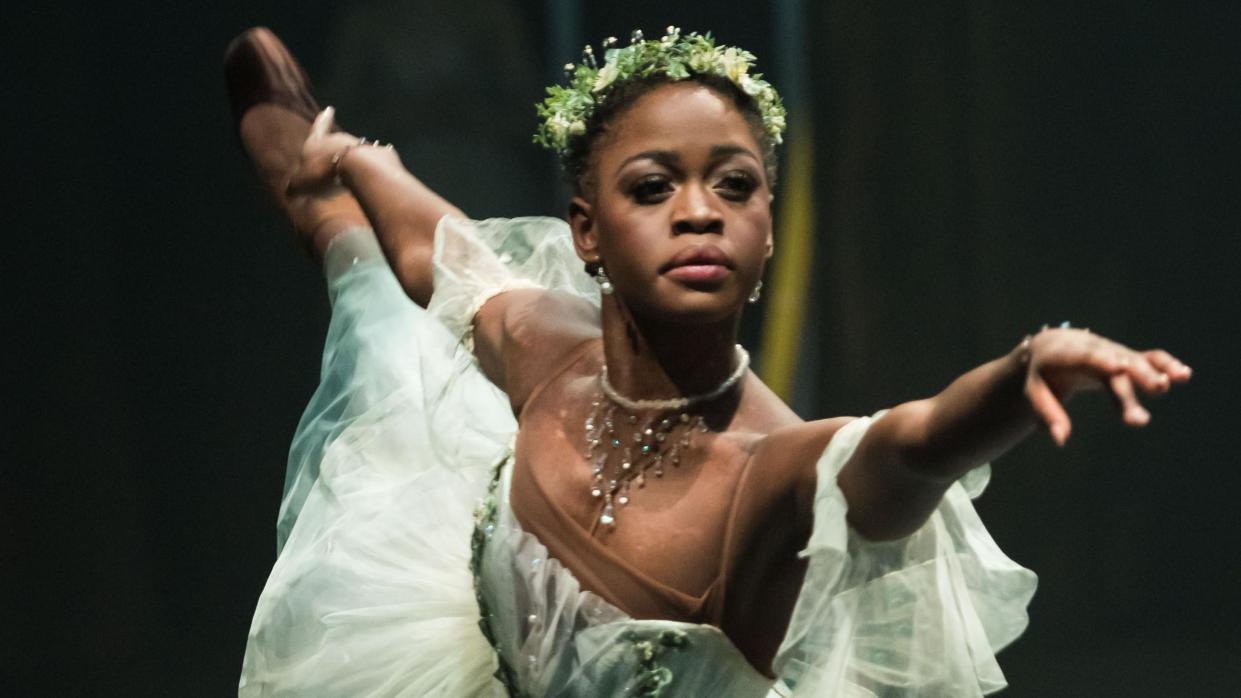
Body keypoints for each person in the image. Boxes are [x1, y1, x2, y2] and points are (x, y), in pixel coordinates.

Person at [228, 26, 1190, 697]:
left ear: (768, 233)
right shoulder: (546, 351)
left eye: (735, 186)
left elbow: (908, 447)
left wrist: (1018, 376)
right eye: (653, 187)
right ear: (587, 233)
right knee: (385, 307)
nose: (699, 212)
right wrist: (347, 165)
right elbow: (432, 253)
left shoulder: (770, 476)